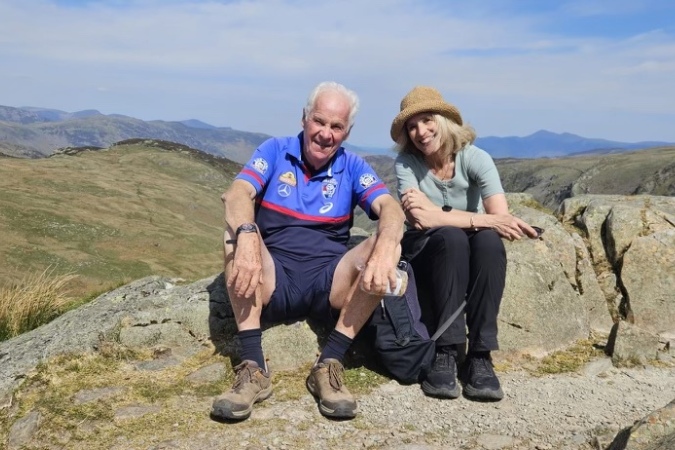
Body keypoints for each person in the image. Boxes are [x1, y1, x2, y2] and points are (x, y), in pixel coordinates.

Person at [211, 81, 405, 421]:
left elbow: (390, 207)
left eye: (336, 126)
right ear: (304, 118)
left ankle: (329, 364)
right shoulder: (275, 151)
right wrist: (246, 235)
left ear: (347, 132)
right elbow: (238, 193)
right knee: (235, 232)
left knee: (382, 245)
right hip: (272, 279)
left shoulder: (353, 166)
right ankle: (253, 368)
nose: (326, 133)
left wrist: (388, 245)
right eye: (319, 121)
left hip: (329, 283)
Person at [390, 86, 539, 401]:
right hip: (429, 245)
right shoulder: (406, 163)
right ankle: (447, 347)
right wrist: (476, 218)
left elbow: (501, 220)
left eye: (427, 120)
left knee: (489, 244)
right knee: (452, 237)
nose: (420, 131)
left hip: (470, 238)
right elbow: (421, 221)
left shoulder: (475, 158)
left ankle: (481, 355)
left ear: (443, 120)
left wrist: (439, 212)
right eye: (412, 126)